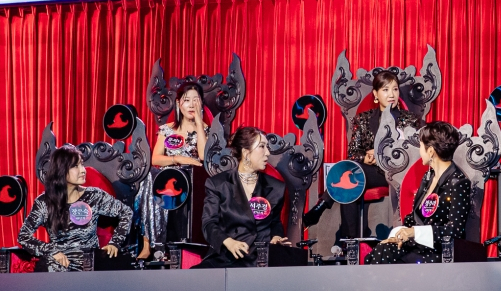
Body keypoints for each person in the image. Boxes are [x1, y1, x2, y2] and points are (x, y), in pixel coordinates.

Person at [302, 69, 425, 237]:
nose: (391, 94)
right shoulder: (363, 119)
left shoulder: (410, 119)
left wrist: (381, 154)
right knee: (349, 178)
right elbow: (353, 152)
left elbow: (415, 151)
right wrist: (365, 157)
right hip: (373, 172)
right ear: (375, 94)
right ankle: (351, 241)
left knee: (352, 175)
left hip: (398, 172)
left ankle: (322, 206)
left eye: (395, 89)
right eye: (386, 89)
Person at [365, 121, 472, 264]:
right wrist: (398, 235)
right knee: (381, 249)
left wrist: (415, 232)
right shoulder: (428, 178)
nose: (420, 152)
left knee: (384, 255)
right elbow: (413, 219)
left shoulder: (458, 183)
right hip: (417, 245)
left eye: (421, 146)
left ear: (431, 151)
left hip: (438, 250)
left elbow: (455, 230)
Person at [18, 145, 133, 272]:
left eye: (82, 164)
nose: (83, 170)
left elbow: (126, 212)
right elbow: (23, 236)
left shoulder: (94, 196)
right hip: (58, 264)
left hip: (89, 263)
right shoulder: (44, 202)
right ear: (61, 170)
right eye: (75, 166)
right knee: (51, 268)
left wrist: (115, 242)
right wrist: (51, 250)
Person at [199, 126, 301, 266]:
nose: (267, 153)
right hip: (226, 256)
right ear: (246, 153)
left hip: (260, 258)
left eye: (267, 147)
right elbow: (209, 224)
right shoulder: (218, 184)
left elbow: (275, 223)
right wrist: (228, 242)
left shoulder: (276, 187)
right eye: (262, 147)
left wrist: (276, 237)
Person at [137, 80, 209, 260]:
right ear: (178, 103)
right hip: (166, 176)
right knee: (149, 177)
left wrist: (199, 123)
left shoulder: (206, 130)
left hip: (191, 180)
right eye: (187, 100)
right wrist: (177, 159)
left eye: (196, 100)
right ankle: (149, 244)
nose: (191, 105)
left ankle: (172, 245)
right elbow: (155, 159)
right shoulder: (167, 129)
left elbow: (203, 156)